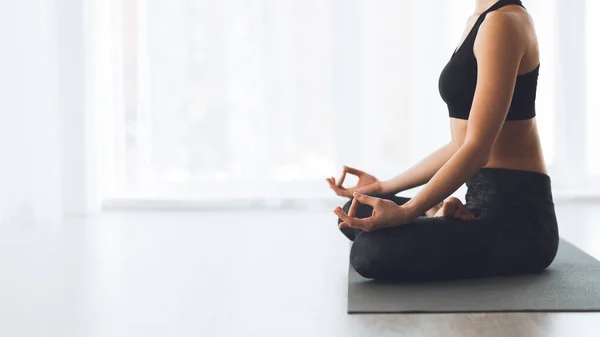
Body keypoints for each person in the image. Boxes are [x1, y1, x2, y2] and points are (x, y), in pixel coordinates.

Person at [327, 0, 559, 282]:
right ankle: (440, 213)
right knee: (360, 209)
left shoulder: (504, 23)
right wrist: (382, 187)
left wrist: (409, 211)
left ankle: (438, 215)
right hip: (477, 205)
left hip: (518, 223)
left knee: (370, 251)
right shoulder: (480, 20)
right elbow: (459, 145)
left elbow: (477, 150)